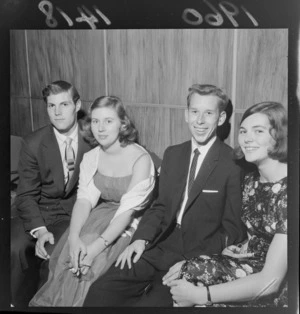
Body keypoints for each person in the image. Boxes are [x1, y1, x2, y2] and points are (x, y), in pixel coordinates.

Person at [83, 84, 246, 307]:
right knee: (100, 292)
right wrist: (140, 239)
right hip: (158, 245)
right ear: (186, 115)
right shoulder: (173, 154)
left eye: (208, 113)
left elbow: (233, 230)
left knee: (149, 306)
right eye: (195, 112)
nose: (199, 121)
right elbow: (159, 206)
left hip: (194, 256)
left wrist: (196, 265)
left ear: (221, 118)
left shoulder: (232, 164)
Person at [29, 96, 156, 306]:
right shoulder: (93, 156)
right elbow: (84, 200)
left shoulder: (140, 159)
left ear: (122, 124)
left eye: (108, 121)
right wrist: (74, 237)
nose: (100, 128)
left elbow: (127, 212)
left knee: (93, 265)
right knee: (70, 256)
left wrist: (95, 248)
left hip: (132, 221)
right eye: (95, 121)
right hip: (102, 214)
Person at [167, 102, 287, 307]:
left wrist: (202, 296)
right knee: (186, 270)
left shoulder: (290, 193)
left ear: (279, 136)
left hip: (279, 285)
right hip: (254, 263)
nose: (247, 139)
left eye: (258, 131)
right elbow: (257, 234)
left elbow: (271, 281)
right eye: (243, 131)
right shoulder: (251, 179)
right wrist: (239, 247)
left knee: (197, 296)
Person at [11, 80, 91, 307]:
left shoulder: (93, 136)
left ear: (77, 105)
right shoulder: (33, 143)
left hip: (69, 213)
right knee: (14, 247)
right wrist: (40, 230)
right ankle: (15, 303)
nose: (57, 112)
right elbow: (25, 195)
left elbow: (122, 147)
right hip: (36, 210)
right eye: (51, 106)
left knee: (55, 252)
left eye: (64, 105)